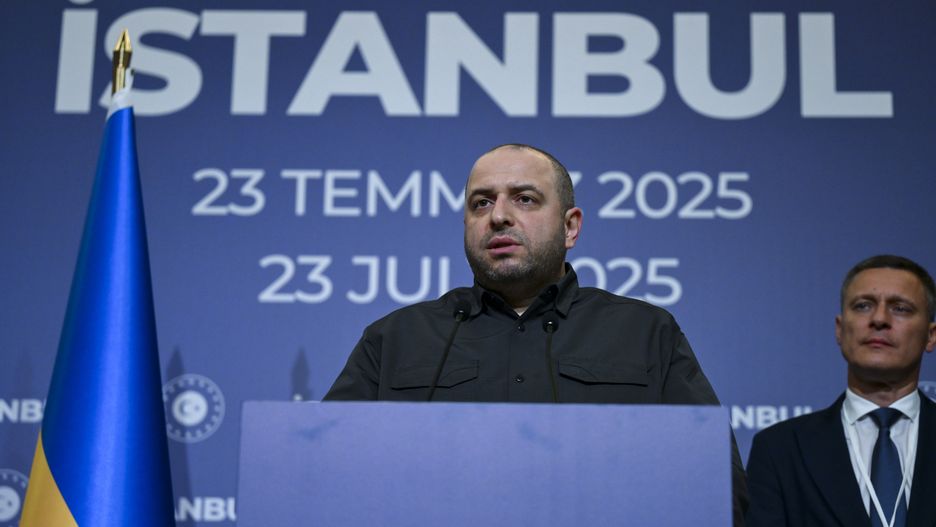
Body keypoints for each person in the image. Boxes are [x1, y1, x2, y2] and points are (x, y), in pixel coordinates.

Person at [324, 143, 748, 523]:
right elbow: (324, 472)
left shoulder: (644, 331)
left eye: (525, 199)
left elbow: (715, 485)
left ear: (571, 227)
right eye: (480, 203)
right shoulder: (396, 337)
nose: (499, 216)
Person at [746, 255, 936, 527]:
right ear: (839, 329)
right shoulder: (780, 449)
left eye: (900, 308)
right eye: (863, 306)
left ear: (931, 335)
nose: (879, 319)